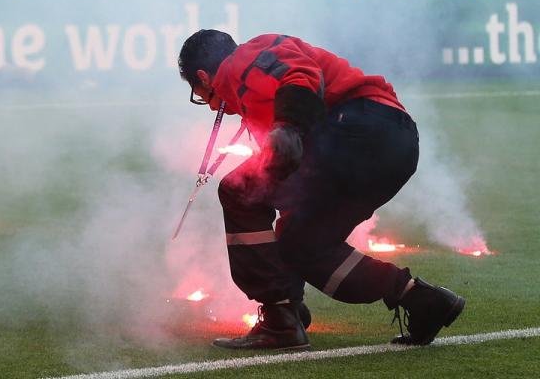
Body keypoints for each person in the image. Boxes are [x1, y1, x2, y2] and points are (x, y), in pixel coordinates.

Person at [176, 29, 465, 351]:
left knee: (237, 190)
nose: (211, 103)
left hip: (358, 128)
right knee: (301, 244)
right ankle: (420, 298)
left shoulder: (241, 61)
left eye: (201, 93)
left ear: (203, 76)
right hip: (393, 145)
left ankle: (279, 319)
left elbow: (299, 75)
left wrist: (287, 127)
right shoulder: (254, 82)